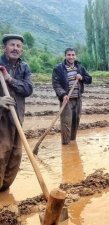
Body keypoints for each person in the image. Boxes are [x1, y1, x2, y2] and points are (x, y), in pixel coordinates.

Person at [0, 34, 33, 191]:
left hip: (17, 117)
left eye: (18, 46)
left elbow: (28, 89)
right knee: (1, 154)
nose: (15, 48)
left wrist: (9, 79)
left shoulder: (24, 67)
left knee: (15, 156)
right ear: (5, 47)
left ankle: (4, 191)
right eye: (12, 45)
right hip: (1, 118)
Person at [52, 48, 92, 145]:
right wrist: (63, 94)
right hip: (66, 100)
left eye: (73, 55)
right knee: (66, 123)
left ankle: (73, 142)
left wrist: (81, 77)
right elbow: (56, 84)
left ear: (75, 56)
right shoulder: (59, 68)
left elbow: (89, 79)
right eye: (69, 55)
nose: (71, 57)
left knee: (76, 121)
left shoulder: (80, 67)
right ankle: (65, 144)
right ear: (65, 56)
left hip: (78, 99)